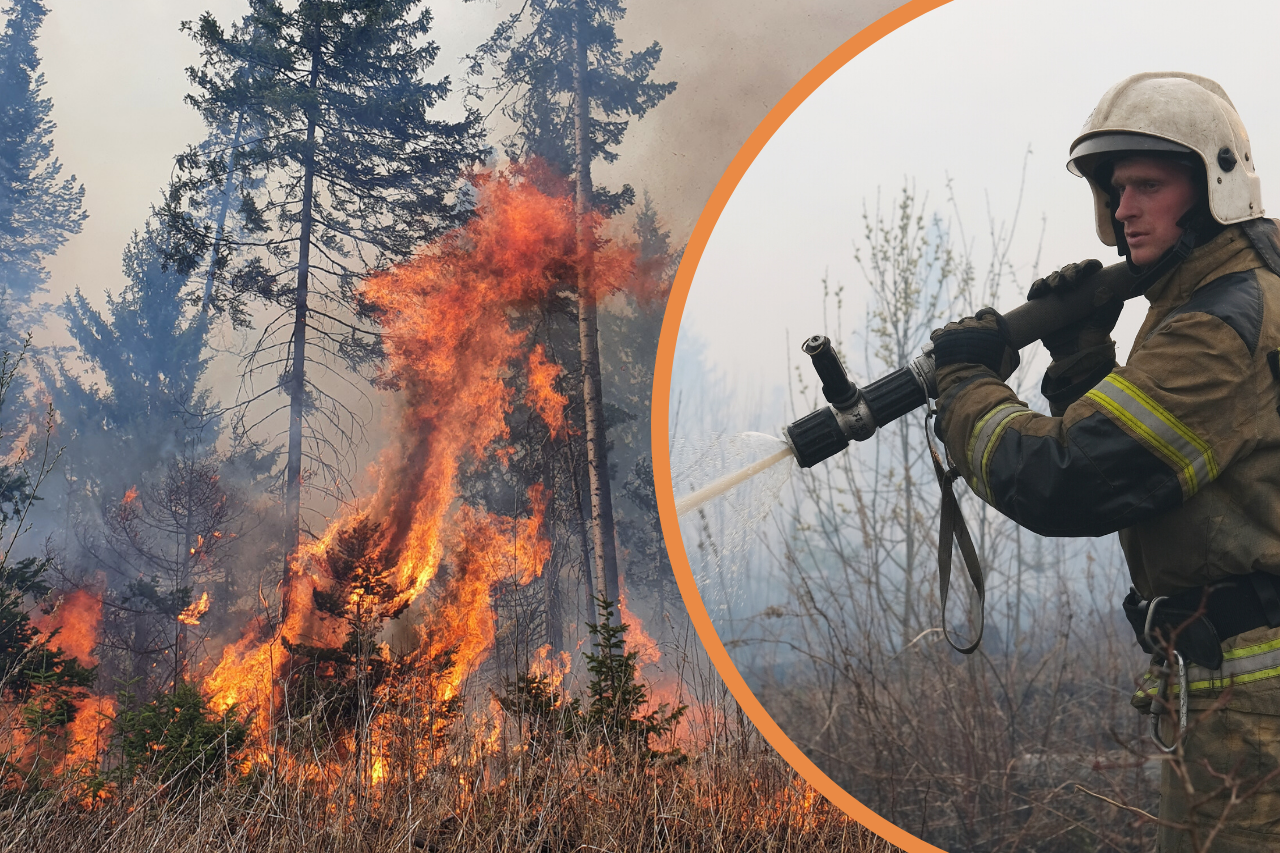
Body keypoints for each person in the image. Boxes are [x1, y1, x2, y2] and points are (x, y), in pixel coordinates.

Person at [928, 71, 1280, 851]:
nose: (1124, 210)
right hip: (1233, 699)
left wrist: (963, 390)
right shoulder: (1217, 300)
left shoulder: (1219, 323)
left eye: (1148, 185)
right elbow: (1160, 478)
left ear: (1217, 184)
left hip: (1255, 714)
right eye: (1116, 190)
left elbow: (1072, 480)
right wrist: (1085, 358)